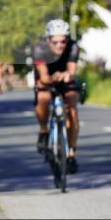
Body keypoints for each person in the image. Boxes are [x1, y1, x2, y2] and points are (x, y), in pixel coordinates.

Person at [33, 19, 81, 172]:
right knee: (43, 98)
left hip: (64, 76)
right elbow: (44, 76)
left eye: (63, 41)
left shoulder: (73, 47)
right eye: (55, 42)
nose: (60, 45)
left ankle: (71, 153)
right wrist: (52, 78)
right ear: (48, 40)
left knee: (72, 109)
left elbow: (72, 71)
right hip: (47, 77)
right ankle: (43, 130)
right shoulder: (39, 49)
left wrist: (68, 75)